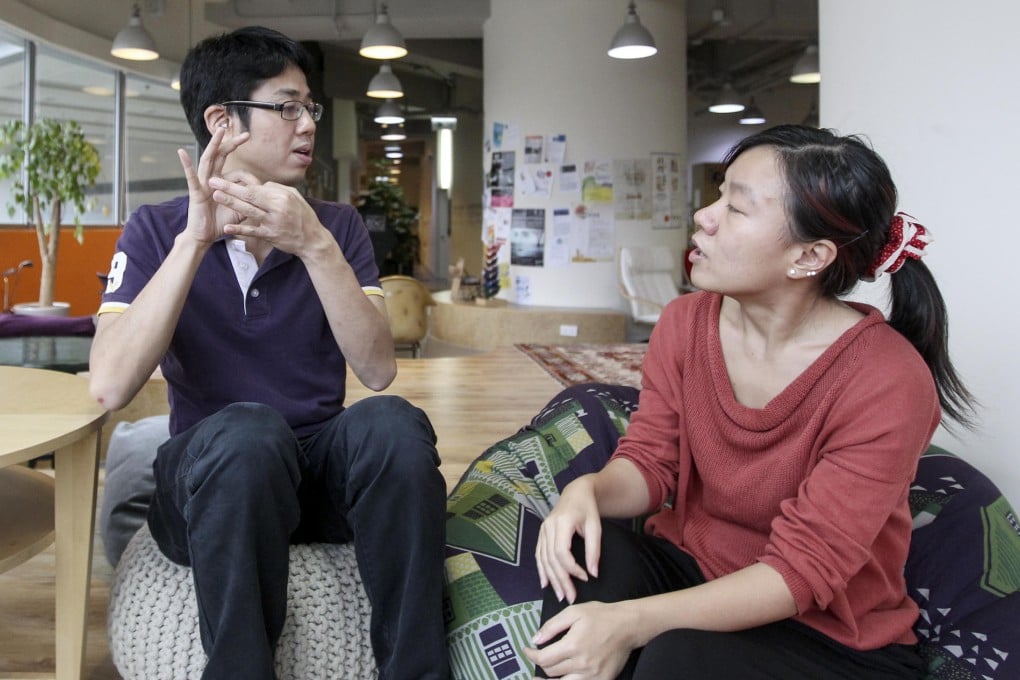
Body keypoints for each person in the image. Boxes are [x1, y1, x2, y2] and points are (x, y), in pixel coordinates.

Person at [523, 124, 977, 679]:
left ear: (809, 256)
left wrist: (635, 622)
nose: (704, 217)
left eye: (736, 208)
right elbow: (653, 462)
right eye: (718, 193)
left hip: (822, 632)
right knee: (587, 558)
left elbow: (802, 572)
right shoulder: (684, 324)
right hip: (696, 572)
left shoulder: (888, 379)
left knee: (674, 657)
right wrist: (585, 488)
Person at [89, 26, 449, 680]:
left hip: (316, 470)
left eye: (309, 107)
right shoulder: (154, 229)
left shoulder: (334, 227)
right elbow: (111, 385)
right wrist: (194, 242)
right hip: (211, 478)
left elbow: (377, 368)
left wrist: (314, 246)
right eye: (287, 107)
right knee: (249, 434)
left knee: (393, 422)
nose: (307, 124)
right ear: (221, 121)